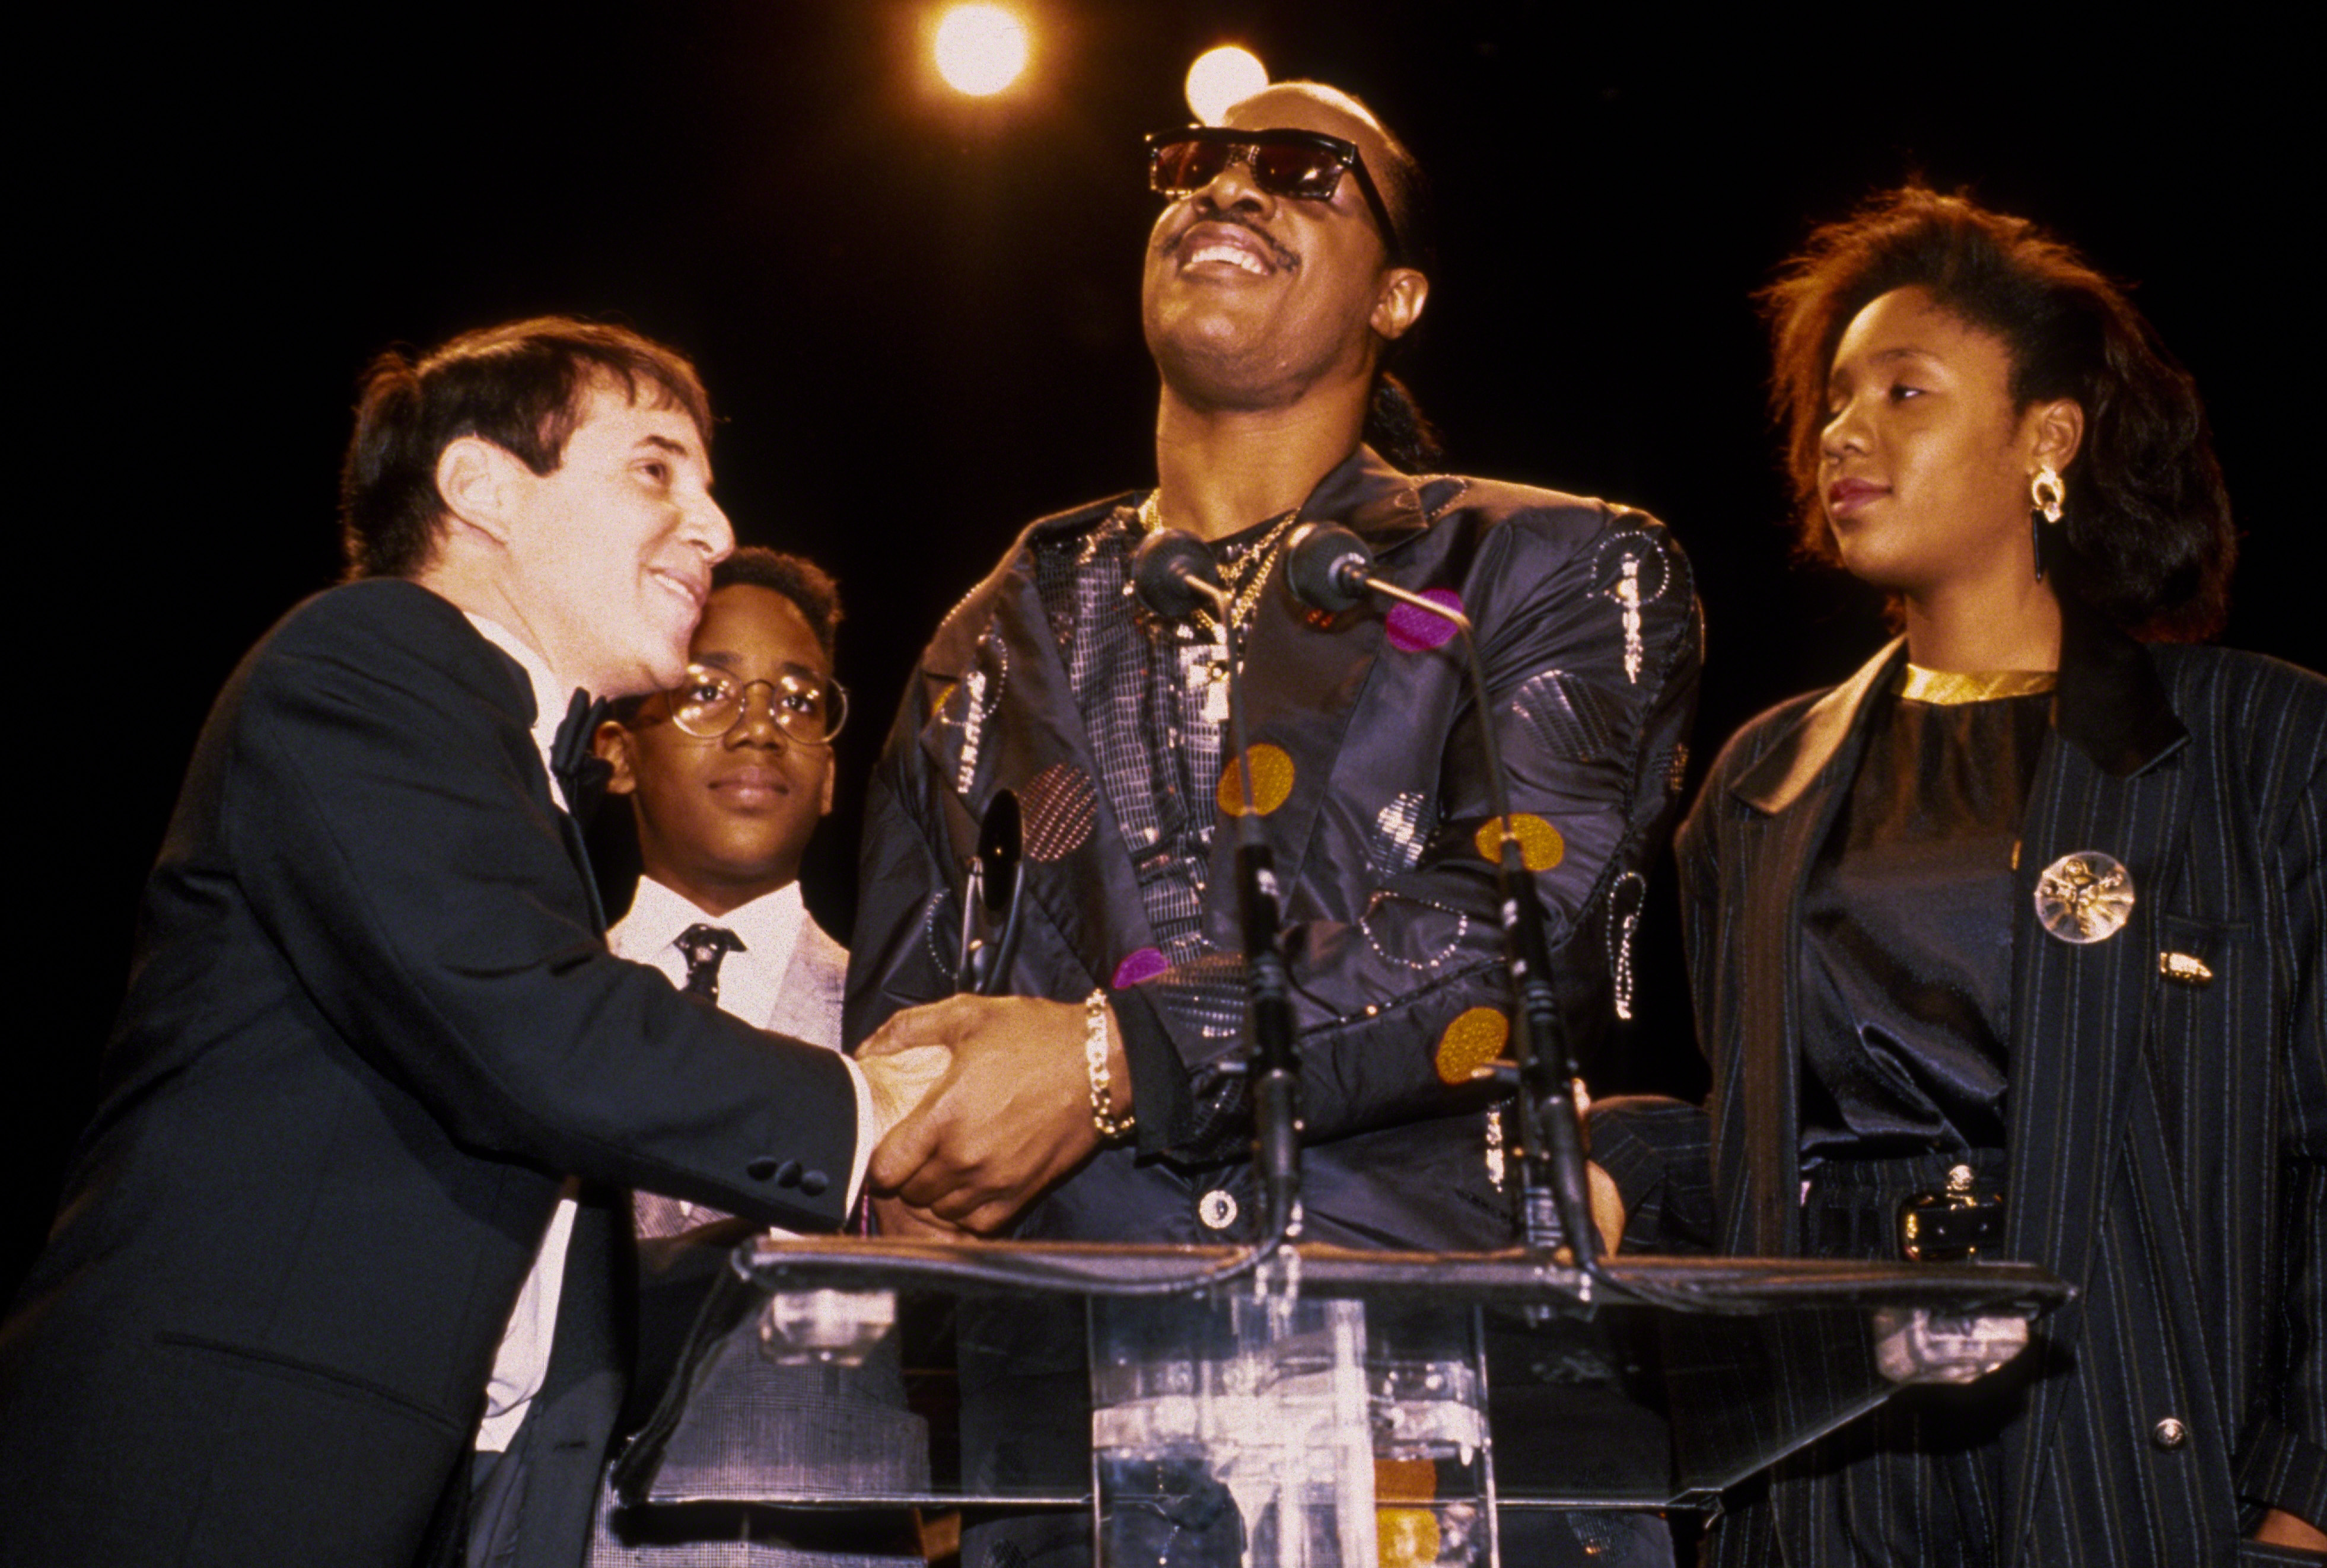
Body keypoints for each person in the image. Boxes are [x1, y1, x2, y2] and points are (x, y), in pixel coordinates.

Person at [848, 83, 1698, 1567]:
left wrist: (1121, 1059)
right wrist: (905, 1164)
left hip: (1451, 1438)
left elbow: (1516, 944)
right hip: (1084, 1461)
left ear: (1399, 292)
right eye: (1190, 165)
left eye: (1302, 172)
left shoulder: (1546, 563)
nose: (1226, 192)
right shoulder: (998, 628)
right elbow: (914, 1025)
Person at [0, 319, 944, 1568]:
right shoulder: (370, 660)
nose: (713, 526)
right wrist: (876, 1104)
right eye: (658, 468)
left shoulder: (508, 758)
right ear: (482, 487)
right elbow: (534, 1025)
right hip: (216, 1458)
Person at [1645, 188, 2326, 1564]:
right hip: (1829, 1466)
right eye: (1837, 399)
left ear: (2048, 437)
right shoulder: (1759, 783)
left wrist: (2307, 1502)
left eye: (1906, 391)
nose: (1847, 431)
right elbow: (1745, 1153)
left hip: (2130, 1458)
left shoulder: (2261, 744)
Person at [579, 546, 927, 1567]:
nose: (759, 723)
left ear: (829, 778)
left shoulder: (903, 1027)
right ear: (617, 750)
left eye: (798, 697)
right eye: (708, 689)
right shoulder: (528, 1010)